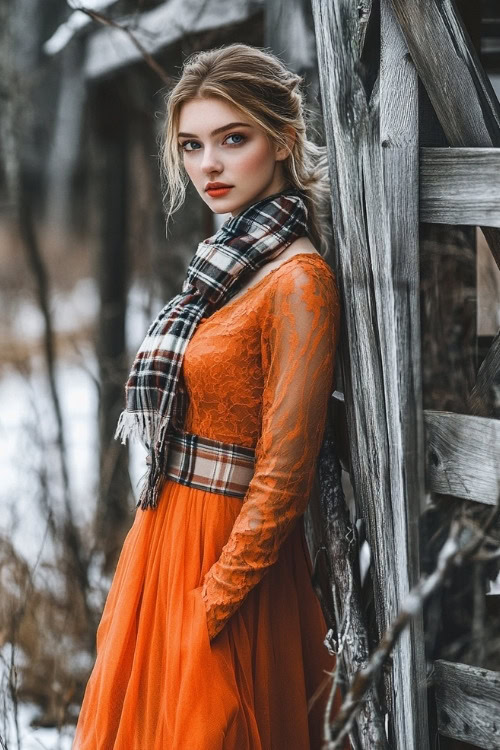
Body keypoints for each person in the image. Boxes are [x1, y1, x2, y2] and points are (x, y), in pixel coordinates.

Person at [73, 42, 345, 750]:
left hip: (230, 567)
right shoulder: (224, 267)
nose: (209, 166)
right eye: (191, 146)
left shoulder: (296, 280)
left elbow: (286, 472)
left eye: (233, 139)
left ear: (282, 139)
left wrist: (213, 602)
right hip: (164, 543)